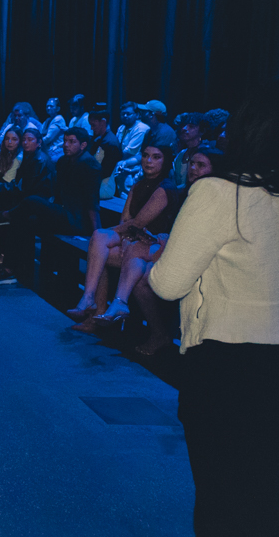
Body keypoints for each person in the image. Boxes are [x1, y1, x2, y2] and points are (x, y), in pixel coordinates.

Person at [149, 81, 279, 537]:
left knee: (222, 500)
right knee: (267, 497)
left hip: (227, 361)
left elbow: (166, 284)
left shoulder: (219, 192)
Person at [65, 143, 179, 331]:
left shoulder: (165, 188)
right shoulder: (138, 185)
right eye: (145, 155)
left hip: (157, 246)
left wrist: (126, 233)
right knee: (99, 245)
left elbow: (138, 223)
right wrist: (127, 235)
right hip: (135, 240)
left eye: (156, 157)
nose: (148, 161)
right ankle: (93, 302)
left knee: (102, 241)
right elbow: (126, 219)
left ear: (165, 161)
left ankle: (110, 305)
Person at [131, 146, 221, 355]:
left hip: (205, 258)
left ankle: (165, 335)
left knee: (146, 276)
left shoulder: (216, 197)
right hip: (177, 250)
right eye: (192, 164)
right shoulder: (181, 192)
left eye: (201, 165)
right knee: (137, 263)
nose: (194, 169)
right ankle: (154, 331)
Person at [0, 127, 101, 285]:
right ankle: (12, 270)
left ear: (83, 145)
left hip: (76, 220)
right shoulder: (63, 161)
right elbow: (57, 192)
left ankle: (5, 215)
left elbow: (92, 202)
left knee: (32, 201)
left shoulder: (89, 164)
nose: (66, 145)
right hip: (63, 213)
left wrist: (96, 233)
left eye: (72, 142)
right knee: (23, 220)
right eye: (65, 141)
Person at [87, 110, 123, 198]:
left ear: (103, 122)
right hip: (98, 184)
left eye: (93, 125)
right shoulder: (100, 140)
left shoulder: (110, 143)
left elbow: (106, 171)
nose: (91, 128)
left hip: (104, 188)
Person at [171, 115, 211, 187]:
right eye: (183, 125)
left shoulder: (206, 154)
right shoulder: (181, 154)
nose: (184, 129)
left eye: (191, 126)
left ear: (202, 131)